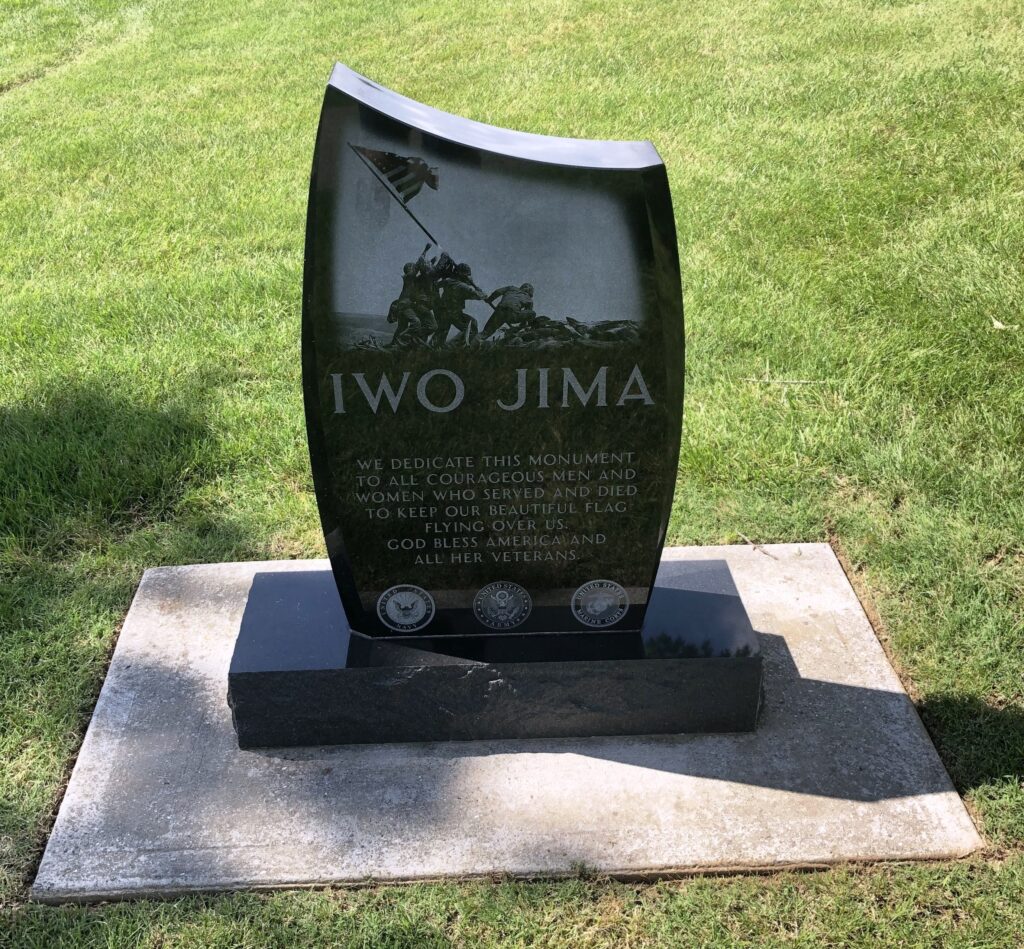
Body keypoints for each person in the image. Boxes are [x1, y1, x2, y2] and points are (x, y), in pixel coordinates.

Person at [431, 263, 485, 346]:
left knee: (442, 331)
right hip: (454, 313)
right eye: (467, 276)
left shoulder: (448, 281)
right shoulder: (462, 286)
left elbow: (435, 286)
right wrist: (478, 289)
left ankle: (435, 347)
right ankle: (452, 346)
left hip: (443, 311)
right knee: (472, 325)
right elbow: (480, 296)